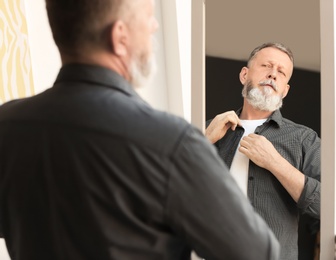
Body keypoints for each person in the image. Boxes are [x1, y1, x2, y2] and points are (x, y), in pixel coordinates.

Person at [0, 1, 280, 259]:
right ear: (120, 37)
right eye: (148, 18)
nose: (154, 26)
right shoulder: (171, 143)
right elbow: (258, 253)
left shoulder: (7, 124)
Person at [205, 42, 321, 260]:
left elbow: (326, 206)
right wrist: (203, 140)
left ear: (285, 90)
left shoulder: (305, 139)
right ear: (244, 75)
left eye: (281, 72)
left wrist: (275, 163)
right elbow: (169, 186)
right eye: (266, 66)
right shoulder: (211, 129)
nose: (272, 75)